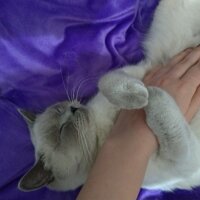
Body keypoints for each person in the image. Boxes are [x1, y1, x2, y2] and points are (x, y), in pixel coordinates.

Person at [77, 47, 200, 200]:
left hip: (168, 60)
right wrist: (138, 134)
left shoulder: (93, 120)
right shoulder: (146, 177)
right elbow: (187, 165)